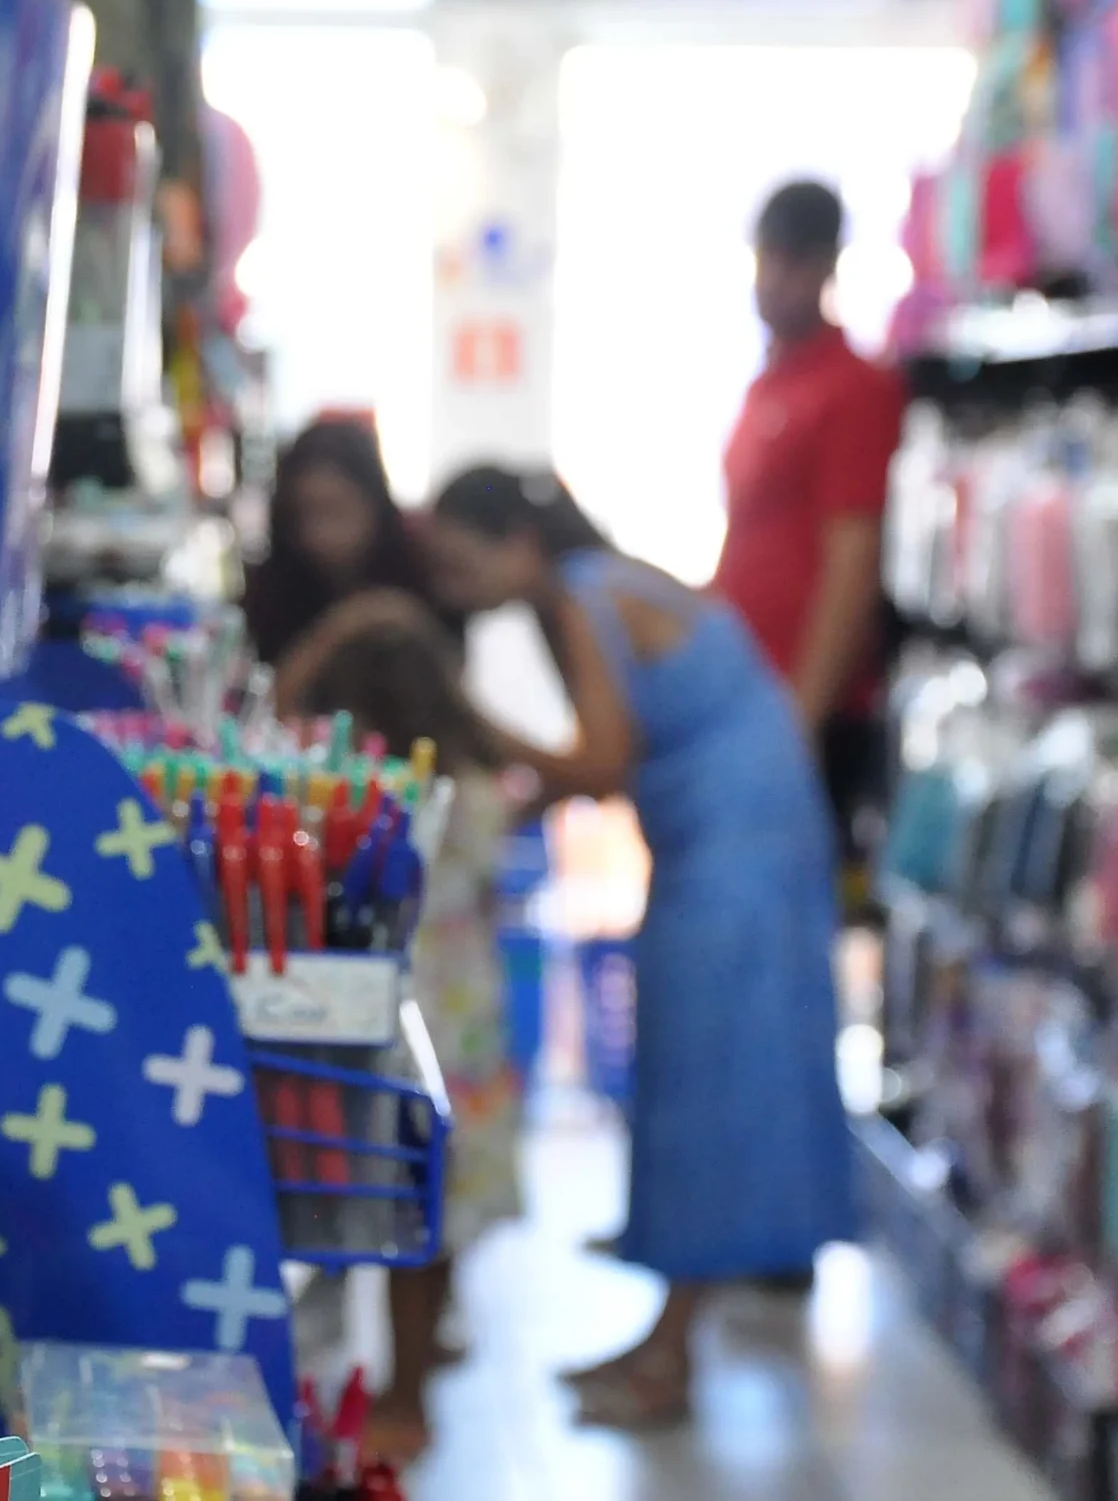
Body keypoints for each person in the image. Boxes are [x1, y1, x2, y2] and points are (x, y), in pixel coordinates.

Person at [417, 465, 855, 1428]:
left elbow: (605, 761)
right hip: (741, 845)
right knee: (697, 1083)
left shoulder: (582, 595)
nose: (452, 589)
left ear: (518, 547)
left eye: (458, 565)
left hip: (737, 858)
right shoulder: (601, 588)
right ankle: (664, 1341)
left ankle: (668, 1358)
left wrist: (467, 719)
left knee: (704, 1092)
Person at [276, 597, 524, 1466]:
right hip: (472, 1040)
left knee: (408, 1229)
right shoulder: (486, 788)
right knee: (438, 1235)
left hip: (405, 1041)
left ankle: (408, 1395)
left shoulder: (379, 802)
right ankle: (417, 1370)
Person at [716, 179, 907, 863]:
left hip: (805, 710)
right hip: (747, 695)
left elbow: (851, 566)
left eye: (793, 262)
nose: (774, 281)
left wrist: (802, 720)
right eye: (767, 259)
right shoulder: (765, 386)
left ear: (828, 264)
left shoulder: (854, 388)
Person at [242, 418, 448, 667]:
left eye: (335, 510)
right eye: (304, 513)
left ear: (373, 504)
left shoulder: (425, 576)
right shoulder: (272, 591)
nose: (318, 533)